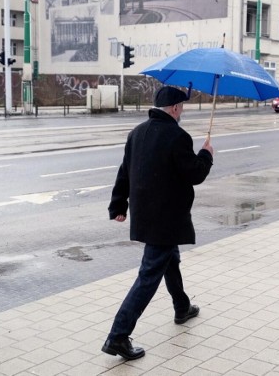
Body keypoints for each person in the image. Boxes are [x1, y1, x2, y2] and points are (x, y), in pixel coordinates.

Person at [102, 86, 214, 361]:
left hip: (146, 216)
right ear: (175, 108)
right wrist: (207, 154)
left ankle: (182, 307)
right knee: (149, 275)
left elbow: (124, 172)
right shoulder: (177, 136)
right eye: (182, 108)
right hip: (166, 219)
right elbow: (195, 174)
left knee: (169, 259)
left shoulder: (137, 133)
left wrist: (118, 205)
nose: (182, 112)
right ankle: (118, 336)